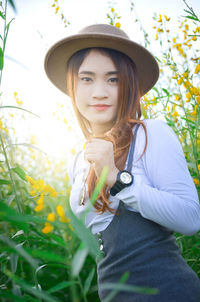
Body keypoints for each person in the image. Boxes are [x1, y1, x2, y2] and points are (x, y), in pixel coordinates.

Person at [44, 24, 200, 301]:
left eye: (113, 79)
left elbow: (190, 218)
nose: (100, 92)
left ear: (129, 84)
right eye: (87, 79)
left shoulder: (150, 134)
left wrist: (116, 178)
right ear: (73, 86)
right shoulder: (78, 161)